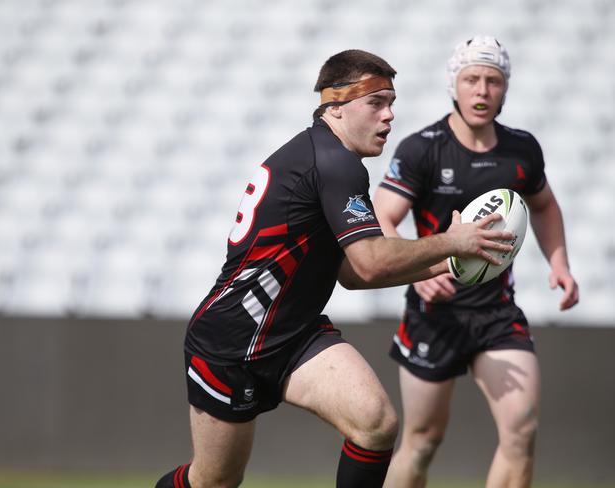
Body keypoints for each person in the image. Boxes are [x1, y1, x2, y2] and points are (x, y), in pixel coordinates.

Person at [155, 49, 515, 488]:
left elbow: (352, 273)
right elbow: (370, 261)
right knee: (214, 481)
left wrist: (450, 261)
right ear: (337, 107)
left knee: (376, 423)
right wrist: (452, 242)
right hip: (232, 341)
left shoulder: (330, 157)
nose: (389, 116)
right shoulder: (334, 163)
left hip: (293, 332)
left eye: (392, 104)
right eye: (377, 103)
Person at [373, 36, 580, 488]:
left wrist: (559, 263)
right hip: (434, 312)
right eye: (472, 79)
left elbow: (544, 205)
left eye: (493, 80)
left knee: (521, 430)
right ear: (455, 84)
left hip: (496, 312)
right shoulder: (421, 149)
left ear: (505, 89)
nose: (482, 90)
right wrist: (418, 275)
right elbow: (383, 219)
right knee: (423, 439)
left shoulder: (521, 150)